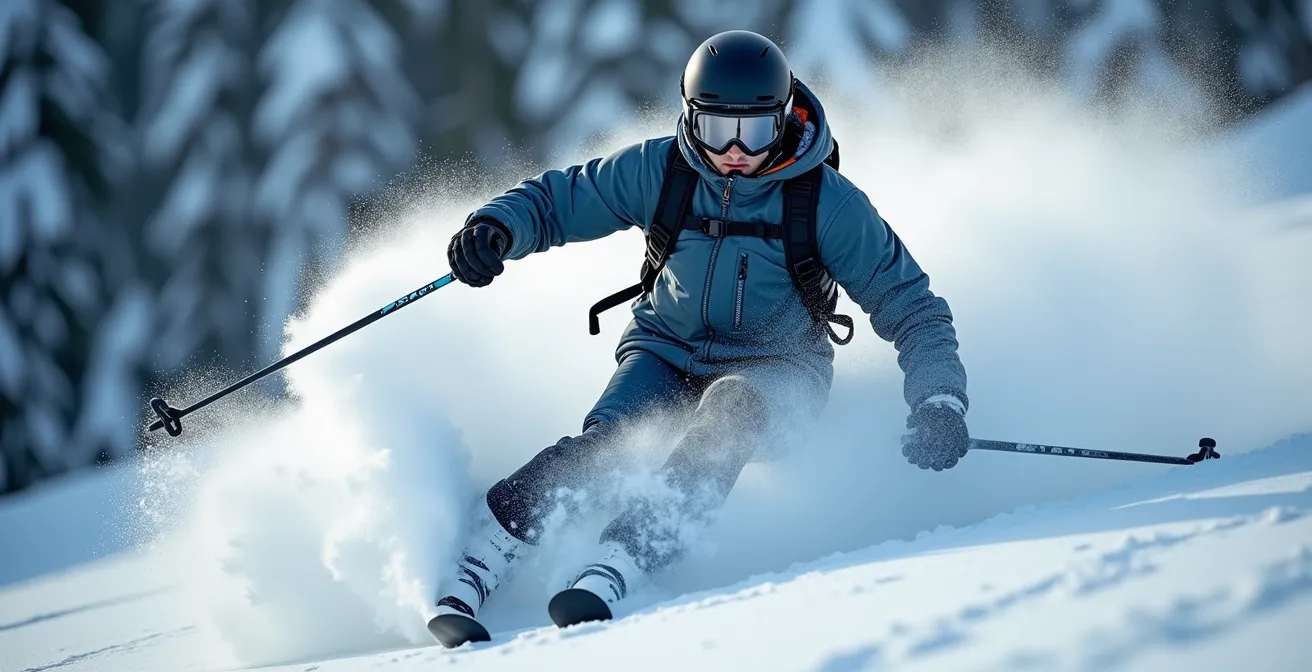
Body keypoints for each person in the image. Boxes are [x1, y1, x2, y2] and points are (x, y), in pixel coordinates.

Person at [428, 30, 970, 648]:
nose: (735, 151)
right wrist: (496, 227)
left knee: (731, 411)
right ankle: (482, 554)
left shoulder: (825, 203)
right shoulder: (664, 171)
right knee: (610, 443)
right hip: (665, 349)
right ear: (691, 119)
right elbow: (562, 199)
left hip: (778, 371)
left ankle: (623, 559)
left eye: (756, 132)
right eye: (717, 131)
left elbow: (913, 306)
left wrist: (938, 401)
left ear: (784, 118)